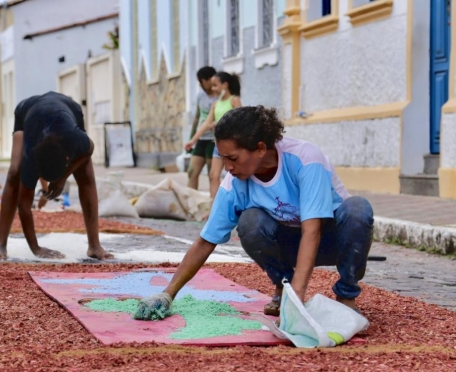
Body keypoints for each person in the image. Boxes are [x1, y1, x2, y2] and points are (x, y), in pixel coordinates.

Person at [135, 106, 374, 320]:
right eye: (223, 158)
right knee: (250, 221)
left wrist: (297, 303)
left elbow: (312, 231)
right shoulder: (234, 183)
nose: (227, 167)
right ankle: (283, 285)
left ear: (260, 148)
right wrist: (168, 294)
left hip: (331, 239)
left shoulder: (305, 159)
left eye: (233, 158)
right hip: (287, 245)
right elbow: (205, 241)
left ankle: (346, 296)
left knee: (357, 208)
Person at [0, 91, 113, 260]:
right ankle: (0, 245)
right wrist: (36, 248)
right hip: (28, 110)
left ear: (66, 158)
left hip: (69, 108)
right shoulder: (30, 154)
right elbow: (24, 206)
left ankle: (94, 246)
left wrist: (62, 179)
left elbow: (89, 149)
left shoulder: (73, 137)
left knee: (86, 174)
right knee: (13, 172)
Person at [185, 71, 242, 200]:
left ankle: (232, 205)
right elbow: (206, 123)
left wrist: (220, 123)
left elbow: (240, 121)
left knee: (233, 176)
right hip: (218, 145)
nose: (213, 89)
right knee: (213, 176)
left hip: (232, 145)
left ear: (225, 85)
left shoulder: (234, 100)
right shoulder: (216, 104)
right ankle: (213, 209)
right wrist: (192, 141)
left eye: (215, 85)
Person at [186, 66, 219, 190]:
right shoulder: (200, 95)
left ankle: (213, 205)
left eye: (201, 81)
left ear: (209, 79)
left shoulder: (219, 97)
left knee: (212, 175)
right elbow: (197, 116)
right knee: (192, 171)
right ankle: (191, 204)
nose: (200, 85)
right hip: (201, 138)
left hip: (213, 140)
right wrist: (192, 138)